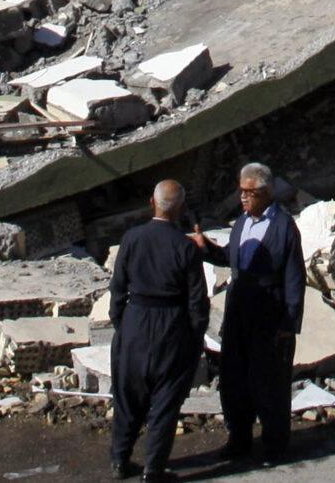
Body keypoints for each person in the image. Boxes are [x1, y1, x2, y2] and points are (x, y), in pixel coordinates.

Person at [192, 162, 305, 467]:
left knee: (269, 382)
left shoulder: (283, 227)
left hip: (268, 317)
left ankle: (275, 445)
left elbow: (295, 278)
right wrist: (207, 248)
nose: (243, 198)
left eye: (249, 192)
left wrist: (289, 323)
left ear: (266, 192)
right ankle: (238, 438)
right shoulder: (242, 222)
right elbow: (232, 257)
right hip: (238, 314)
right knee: (234, 378)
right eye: (241, 191)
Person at [109, 179, 210, 481]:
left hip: (135, 321)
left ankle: (120, 459)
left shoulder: (132, 238)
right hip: (172, 326)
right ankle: (154, 468)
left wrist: (122, 325)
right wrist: (194, 337)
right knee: (166, 402)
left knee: (127, 397)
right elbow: (197, 301)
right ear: (180, 209)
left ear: (151, 203)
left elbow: (117, 288)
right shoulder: (185, 247)